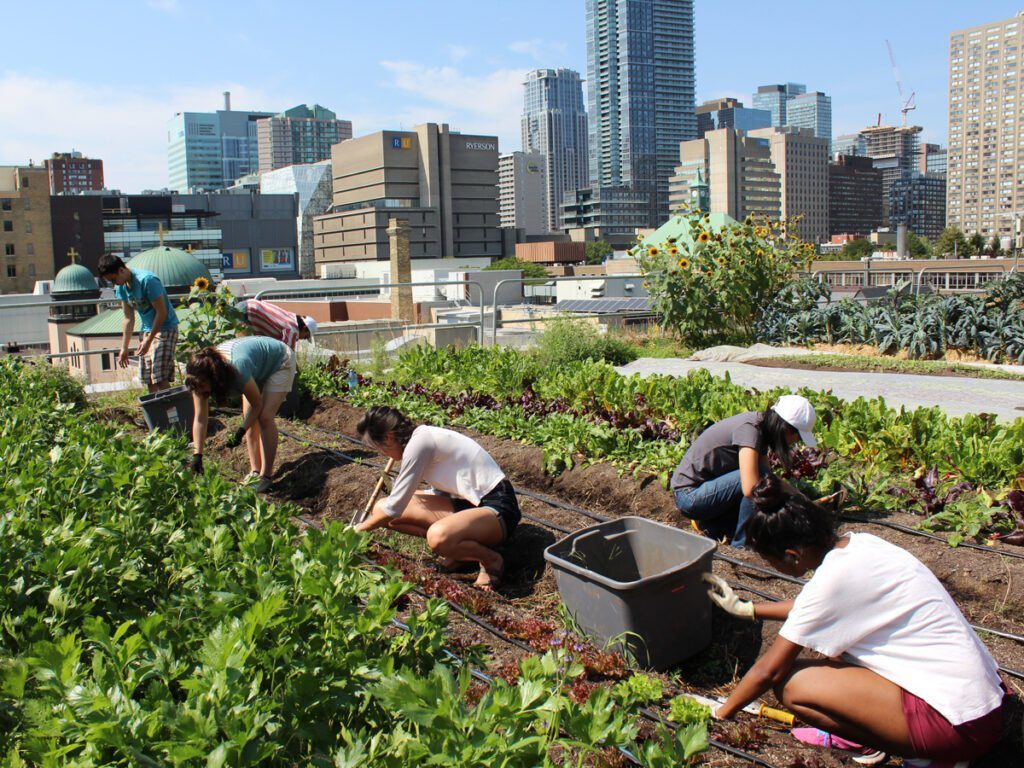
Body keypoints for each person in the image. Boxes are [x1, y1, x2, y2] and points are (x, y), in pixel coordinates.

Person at [704, 475, 1008, 767]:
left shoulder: (831, 582)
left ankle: (931, 756)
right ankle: (869, 741)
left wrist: (722, 712)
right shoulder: (861, 545)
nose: (773, 567)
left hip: (955, 726)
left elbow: (769, 671)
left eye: (771, 561)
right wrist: (750, 609)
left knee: (790, 686)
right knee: (834, 650)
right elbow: (810, 608)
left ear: (792, 555)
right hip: (982, 704)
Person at [353, 406, 521, 591]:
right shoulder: (419, 440)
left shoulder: (420, 444)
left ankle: (491, 560)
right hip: (467, 504)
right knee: (381, 508)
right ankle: (458, 551)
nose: (382, 453)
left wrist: (360, 529)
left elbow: (395, 506)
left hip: (498, 508)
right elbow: (399, 503)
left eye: (379, 447)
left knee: (437, 536)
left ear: (389, 437)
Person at [671, 394, 816, 547]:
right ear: (787, 429)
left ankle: (714, 525)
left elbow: (770, 476)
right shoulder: (750, 431)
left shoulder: (761, 428)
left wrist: (800, 498)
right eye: (798, 438)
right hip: (689, 496)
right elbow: (750, 489)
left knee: (764, 479)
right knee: (758, 482)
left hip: (705, 492)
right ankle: (741, 546)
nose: (795, 443)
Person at [184, 336, 296, 493]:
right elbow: (201, 418)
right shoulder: (196, 377)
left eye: (202, 385)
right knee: (248, 417)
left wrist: (240, 431)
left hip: (279, 360)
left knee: (264, 417)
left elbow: (257, 406)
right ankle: (255, 471)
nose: (200, 389)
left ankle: (266, 476)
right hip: (255, 364)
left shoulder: (237, 369)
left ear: (213, 378)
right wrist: (198, 454)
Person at [97, 254, 179, 393]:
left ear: (121, 270)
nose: (114, 284)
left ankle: (172, 412)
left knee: (159, 377)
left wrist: (148, 340)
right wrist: (124, 348)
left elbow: (161, 312)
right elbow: (128, 318)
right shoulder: (121, 288)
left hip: (165, 329)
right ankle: (157, 412)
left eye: (114, 279)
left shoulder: (147, 280)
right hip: (146, 331)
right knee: (148, 378)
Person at [237, 298, 317, 348]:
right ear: (304, 328)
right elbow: (288, 354)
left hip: (247, 306)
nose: (302, 339)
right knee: (243, 347)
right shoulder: (293, 329)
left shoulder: (291, 317)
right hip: (246, 313)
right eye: (305, 337)